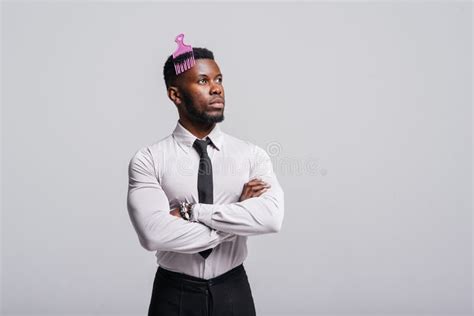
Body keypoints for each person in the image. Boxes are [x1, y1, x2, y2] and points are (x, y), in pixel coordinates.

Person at [127, 45, 285, 316]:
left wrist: (193, 212)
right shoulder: (148, 159)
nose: (216, 89)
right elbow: (153, 235)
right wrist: (238, 217)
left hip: (233, 289)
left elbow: (271, 218)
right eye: (203, 81)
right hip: (174, 293)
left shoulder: (251, 155)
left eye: (219, 79)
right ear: (175, 95)